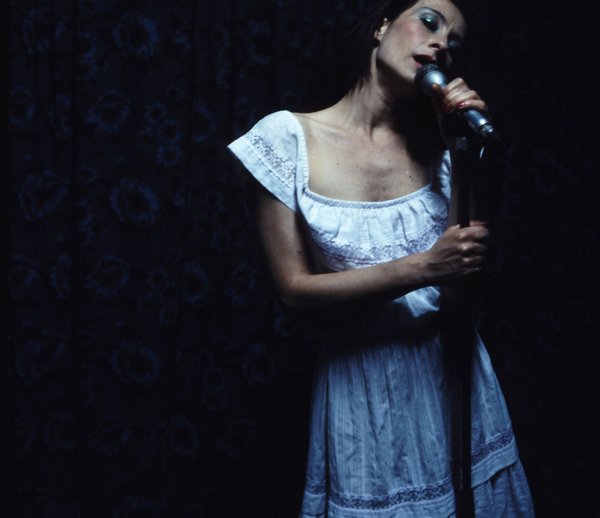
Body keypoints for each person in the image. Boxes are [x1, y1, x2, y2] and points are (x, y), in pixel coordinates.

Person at [228, 0, 534, 516]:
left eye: (453, 44)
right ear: (381, 26)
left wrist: (461, 154)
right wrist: (421, 267)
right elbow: (293, 292)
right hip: (361, 393)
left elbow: (460, 286)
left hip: (453, 380)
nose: (440, 45)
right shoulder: (286, 138)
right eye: (430, 22)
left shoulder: (439, 149)